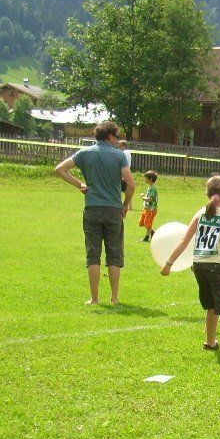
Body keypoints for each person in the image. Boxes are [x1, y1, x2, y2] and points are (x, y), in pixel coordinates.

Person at [160, 175, 220, 363]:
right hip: (218, 265)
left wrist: (168, 264)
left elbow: (184, 241)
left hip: (199, 265)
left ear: (208, 194)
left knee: (211, 306)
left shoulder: (200, 213)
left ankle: (210, 342)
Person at [55, 121, 135, 306]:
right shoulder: (119, 155)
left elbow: (60, 169)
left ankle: (94, 299)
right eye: (116, 137)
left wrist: (80, 185)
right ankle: (114, 298)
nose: (118, 140)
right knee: (114, 255)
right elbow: (131, 185)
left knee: (93, 255)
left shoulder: (84, 153)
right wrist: (125, 204)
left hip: (92, 208)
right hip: (113, 209)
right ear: (110, 136)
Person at [138, 170, 158, 242]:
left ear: (150, 179)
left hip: (151, 210)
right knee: (143, 222)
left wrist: (142, 197)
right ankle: (152, 233)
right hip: (147, 208)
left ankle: (146, 238)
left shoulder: (153, 189)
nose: (145, 179)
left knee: (148, 223)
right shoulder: (150, 187)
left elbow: (150, 199)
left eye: (146, 178)